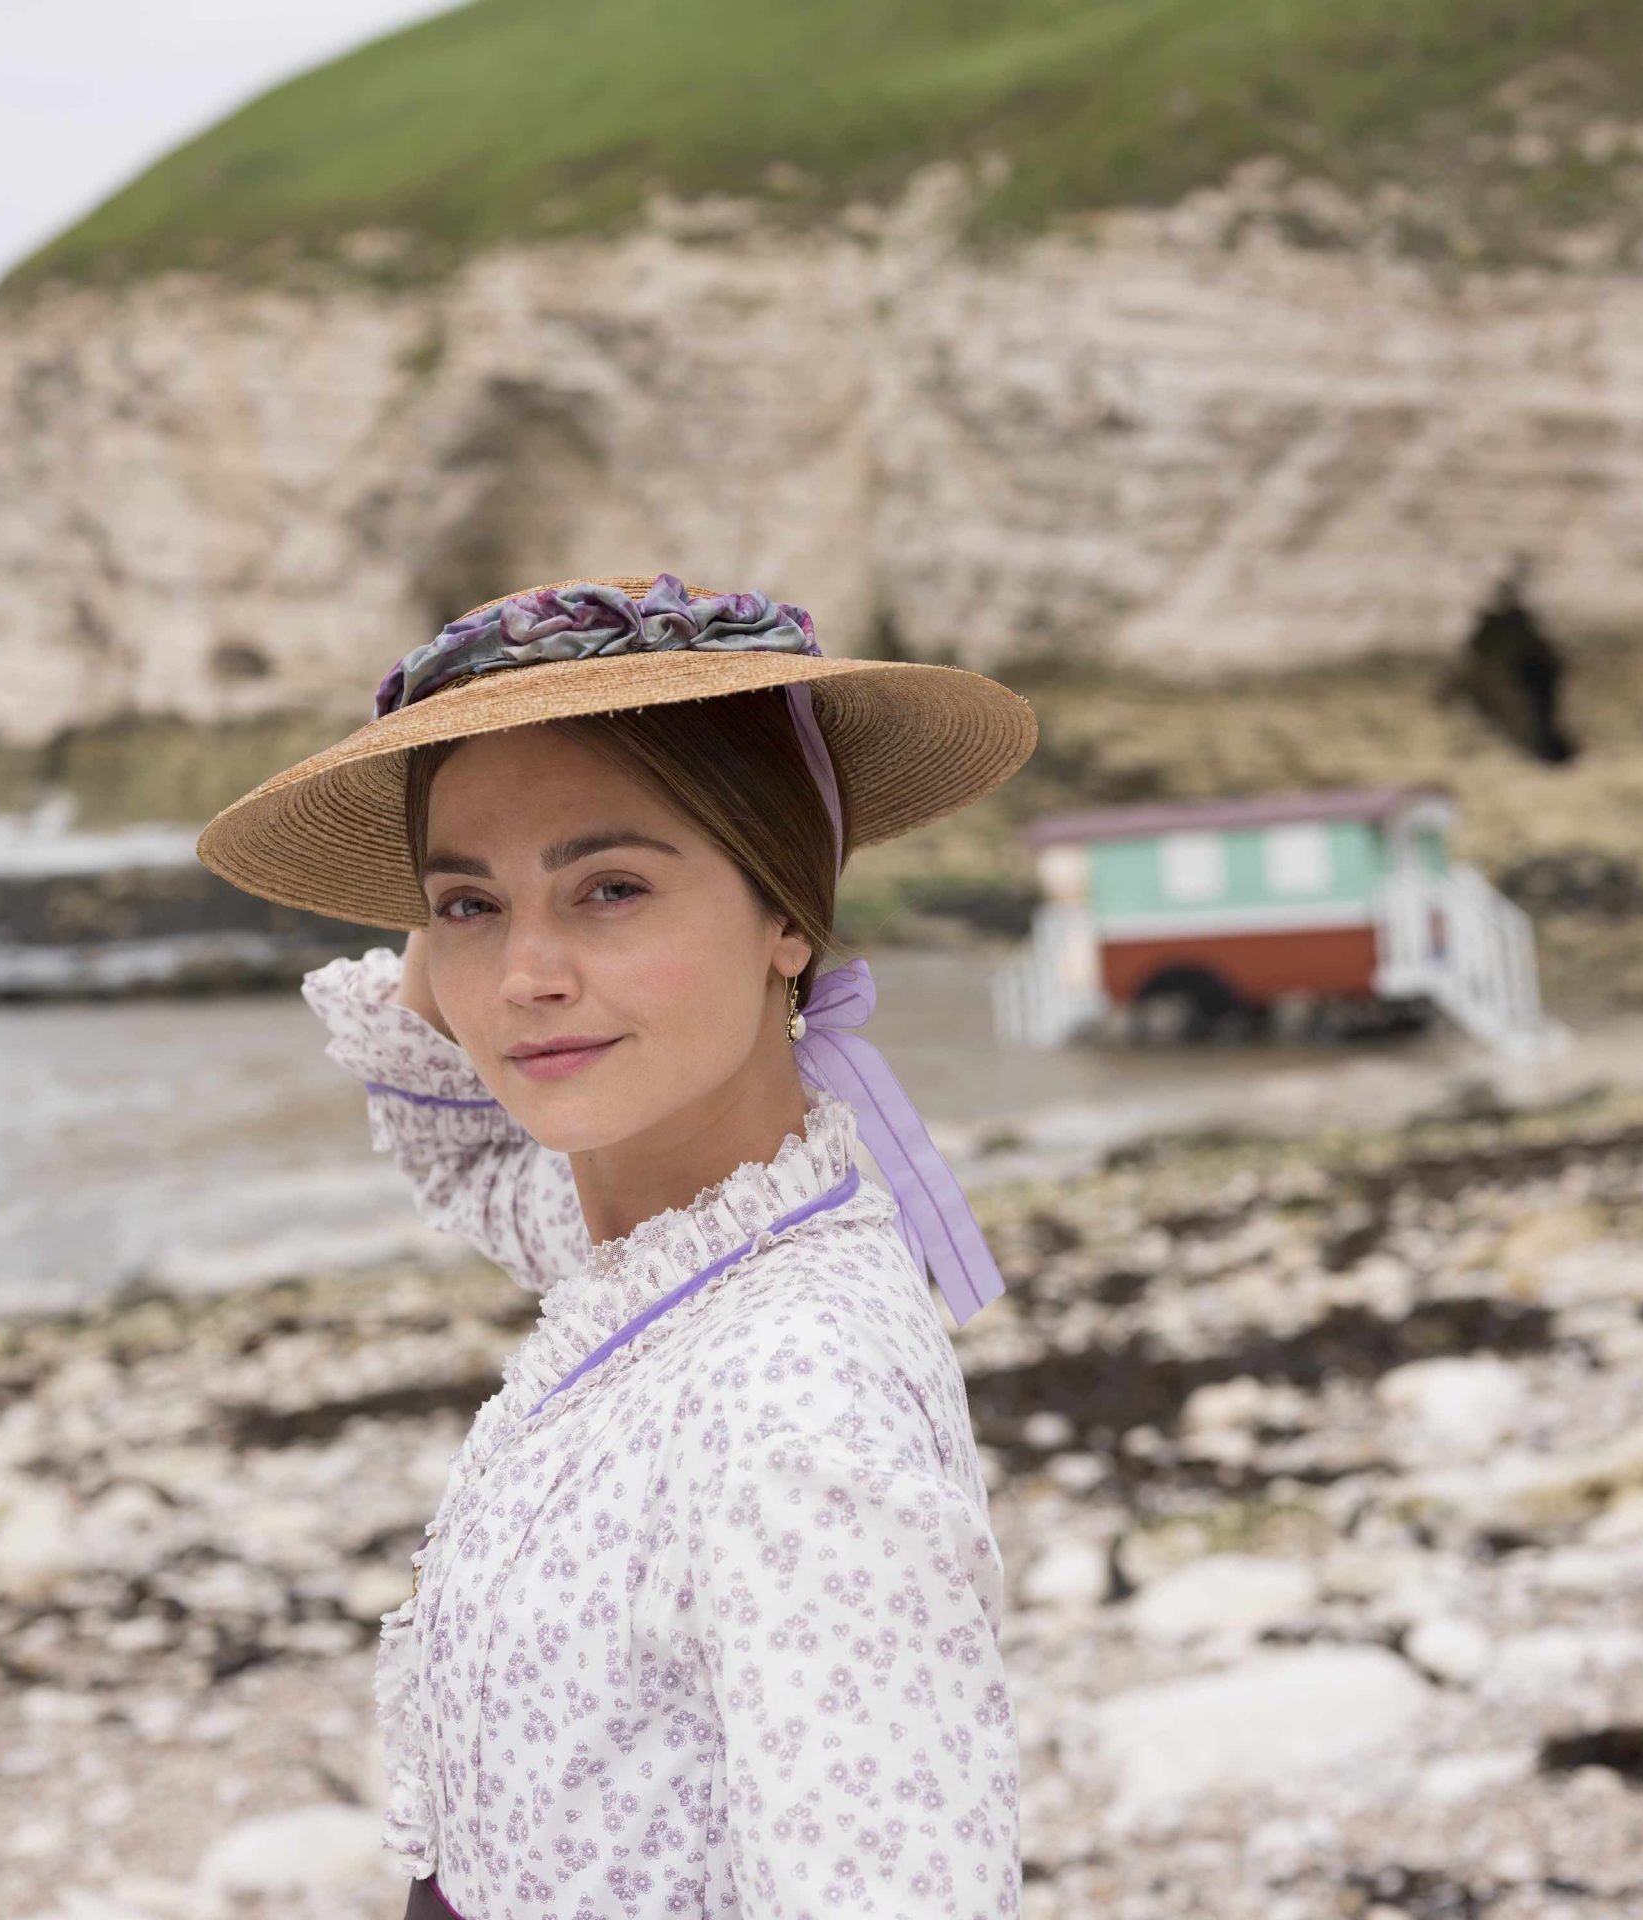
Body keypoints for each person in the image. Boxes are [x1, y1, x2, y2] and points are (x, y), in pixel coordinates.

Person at [196, 573, 1038, 1919]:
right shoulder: (663, 1246)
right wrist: (484, 808)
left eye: (610, 888)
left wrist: (491, 857)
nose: (527, 975)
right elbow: (468, 1147)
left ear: (787, 914)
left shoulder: (794, 1393)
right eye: (468, 907)